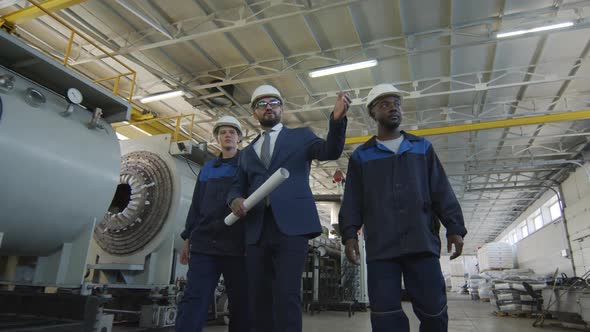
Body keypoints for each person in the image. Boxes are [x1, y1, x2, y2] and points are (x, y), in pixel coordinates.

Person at [338, 84, 467, 332]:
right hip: (381, 248)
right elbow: (353, 199)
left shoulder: (422, 148)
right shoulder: (362, 157)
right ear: (373, 114)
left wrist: (455, 227)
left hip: (421, 242)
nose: (393, 108)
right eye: (384, 104)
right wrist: (349, 234)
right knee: (386, 315)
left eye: (396, 103)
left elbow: (441, 190)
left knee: (434, 309)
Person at [227, 84, 350, 332]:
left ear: (281, 107)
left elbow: (330, 150)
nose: (268, 107)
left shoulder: (301, 137)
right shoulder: (247, 153)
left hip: (291, 228)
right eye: (261, 104)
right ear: (254, 113)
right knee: (259, 296)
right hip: (257, 229)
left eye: (273, 102)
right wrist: (234, 200)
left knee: (286, 294)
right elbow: (236, 186)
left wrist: (337, 119)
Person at [176, 116, 249, 332]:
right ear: (217, 138)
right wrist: (188, 238)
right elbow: (196, 206)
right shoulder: (207, 169)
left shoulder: (247, 166)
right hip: (205, 244)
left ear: (239, 138)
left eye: (232, 132)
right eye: (223, 132)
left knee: (242, 303)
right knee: (193, 299)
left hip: (238, 246)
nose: (227, 135)